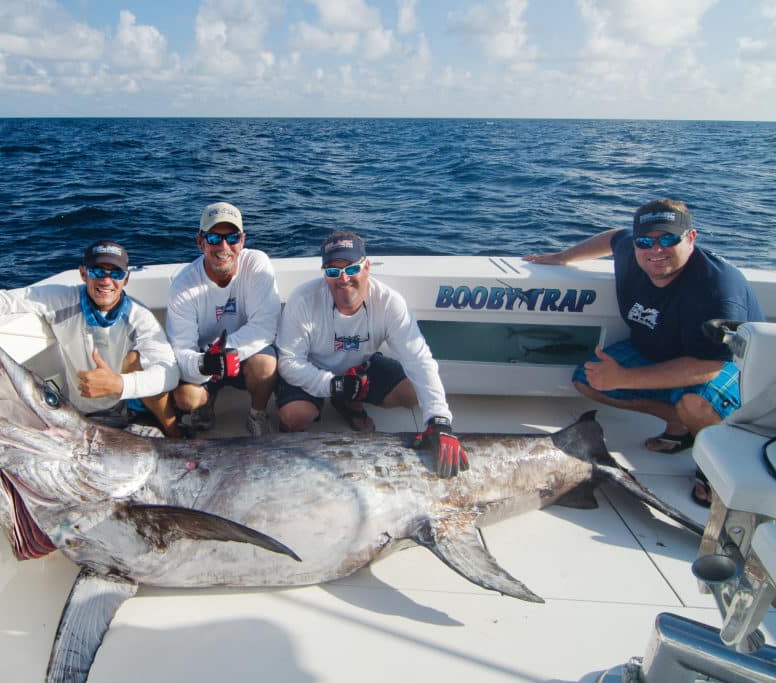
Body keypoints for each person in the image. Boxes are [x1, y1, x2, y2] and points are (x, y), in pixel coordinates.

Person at [524, 198, 763, 506]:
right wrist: (562, 257)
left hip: (727, 364)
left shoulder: (718, 289)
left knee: (695, 402)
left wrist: (625, 377)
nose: (656, 250)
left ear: (691, 238)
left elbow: (709, 365)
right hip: (660, 351)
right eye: (645, 241)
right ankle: (683, 428)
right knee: (588, 378)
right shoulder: (631, 251)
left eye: (668, 239)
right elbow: (614, 237)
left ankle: (715, 467)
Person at [0, 240, 182, 438]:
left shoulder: (140, 317)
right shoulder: (59, 299)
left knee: (138, 360)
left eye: (115, 273)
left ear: (126, 279)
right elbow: (3, 299)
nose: (106, 281)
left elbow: (168, 374)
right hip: (75, 412)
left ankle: (175, 434)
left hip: (127, 406)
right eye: (97, 271)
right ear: (83, 274)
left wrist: (119, 384)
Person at [276, 231, 468, 478]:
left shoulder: (389, 302)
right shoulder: (303, 299)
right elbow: (289, 362)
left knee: (411, 394)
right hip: (313, 369)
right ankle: (338, 399)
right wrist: (332, 385)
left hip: (360, 368)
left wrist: (439, 419)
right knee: (295, 416)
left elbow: (418, 359)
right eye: (333, 271)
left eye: (351, 268)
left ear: (366, 267)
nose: (343, 278)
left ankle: (348, 402)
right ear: (325, 274)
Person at [166, 201, 280, 437]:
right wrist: (205, 362)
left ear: (243, 241)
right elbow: (181, 350)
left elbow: (265, 328)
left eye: (233, 238)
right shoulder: (183, 285)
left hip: (245, 355)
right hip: (205, 360)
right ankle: (205, 404)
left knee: (266, 366)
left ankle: (256, 414)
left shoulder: (257, 263)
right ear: (200, 242)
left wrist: (224, 351)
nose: (224, 246)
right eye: (214, 239)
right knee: (185, 398)